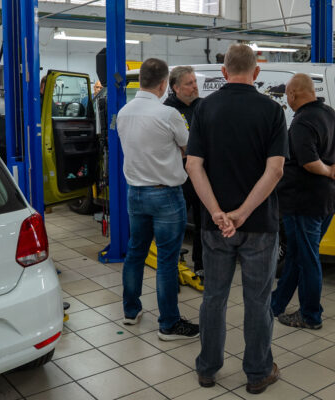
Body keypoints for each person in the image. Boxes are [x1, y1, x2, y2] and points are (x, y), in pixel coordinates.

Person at [186, 44, 288, 394]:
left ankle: (207, 369)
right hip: (259, 225)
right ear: (256, 72)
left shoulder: (204, 108)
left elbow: (193, 165)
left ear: (224, 71)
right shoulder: (272, 111)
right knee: (257, 301)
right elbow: (275, 171)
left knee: (214, 298)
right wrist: (243, 213)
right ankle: (258, 373)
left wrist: (217, 212)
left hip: (215, 226)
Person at [116, 58, 199, 341]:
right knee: (167, 259)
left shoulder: (124, 113)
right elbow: (188, 148)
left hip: (135, 193)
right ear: (164, 84)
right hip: (165, 195)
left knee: (135, 252)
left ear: (141, 80)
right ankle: (169, 324)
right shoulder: (168, 115)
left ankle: (131, 311)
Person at [271, 73, 335, 330]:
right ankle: (276, 304)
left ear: (293, 94)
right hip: (327, 199)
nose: (287, 100)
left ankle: (311, 315)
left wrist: (329, 171)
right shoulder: (329, 113)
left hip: (305, 202)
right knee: (297, 254)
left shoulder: (302, 121)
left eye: (287, 95)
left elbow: (309, 162)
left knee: (308, 258)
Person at [163, 66, 204, 278]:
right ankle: (174, 265)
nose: (195, 86)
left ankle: (200, 264)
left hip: (202, 175)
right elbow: (168, 147)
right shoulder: (167, 110)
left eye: (195, 81)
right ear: (176, 88)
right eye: (189, 83)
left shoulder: (203, 106)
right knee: (176, 224)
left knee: (203, 222)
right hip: (178, 178)